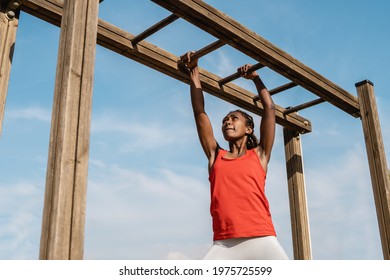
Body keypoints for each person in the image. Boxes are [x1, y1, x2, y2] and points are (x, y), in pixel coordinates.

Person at [180, 51, 289, 260]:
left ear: (249, 129)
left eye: (234, 118)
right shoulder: (215, 155)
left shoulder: (260, 154)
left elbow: (270, 108)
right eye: (225, 120)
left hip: (262, 238)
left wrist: (255, 77)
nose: (227, 122)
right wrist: (193, 70)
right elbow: (199, 112)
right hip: (224, 243)